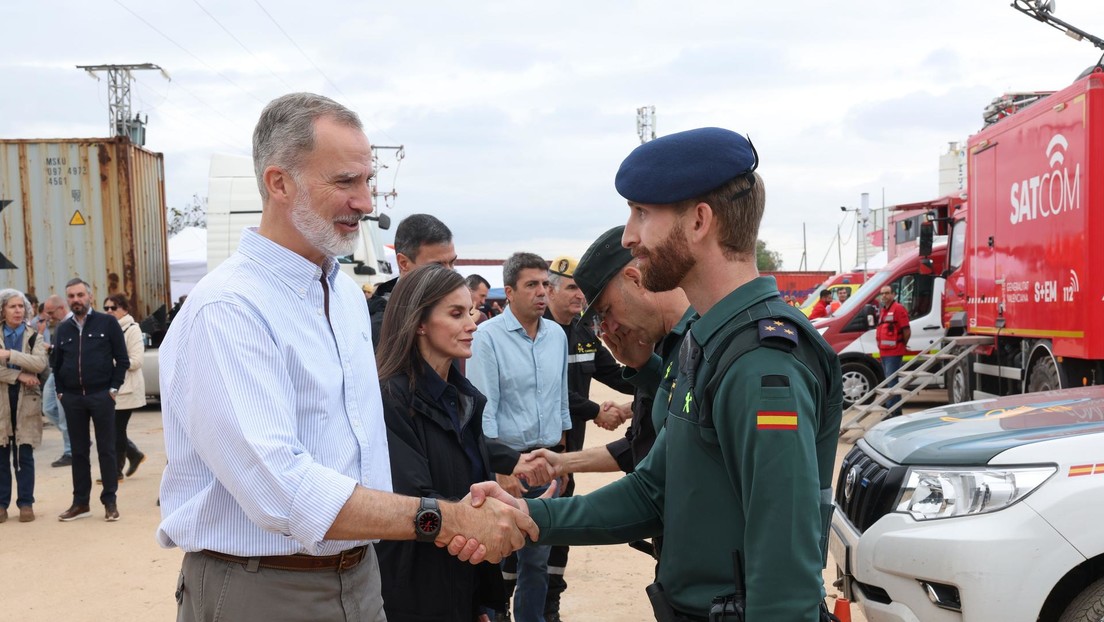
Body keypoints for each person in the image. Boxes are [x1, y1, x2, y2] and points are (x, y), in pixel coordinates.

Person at [158, 92, 536, 622]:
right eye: (345, 182)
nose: (365, 202)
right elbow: (285, 492)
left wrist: (461, 498)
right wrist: (442, 518)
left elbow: (363, 457)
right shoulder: (229, 309)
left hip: (361, 576)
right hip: (264, 589)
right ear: (279, 183)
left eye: (367, 182)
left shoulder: (341, 296)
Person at [468, 127, 844, 621]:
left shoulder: (761, 362)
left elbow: (785, 572)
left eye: (642, 213)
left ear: (699, 221)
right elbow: (652, 490)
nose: (629, 236)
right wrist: (529, 514)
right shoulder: (709, 343)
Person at [374, 263, 507, 621]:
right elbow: (413, 504)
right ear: (418, 322)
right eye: (456, 313)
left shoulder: (464, 401)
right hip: (413, 595)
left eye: (471, 311)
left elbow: (476, 493)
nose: (472, 324)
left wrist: (481, 598)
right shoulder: (389, 400)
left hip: (462, 585)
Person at [468, 251, 571, 622]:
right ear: (509, 291)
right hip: (506, 462)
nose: (542, 292)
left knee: (536, 561)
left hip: (544, 462)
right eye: (532, 285)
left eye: (545, 284)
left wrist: (562, 460)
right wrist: (500, 467)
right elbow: (484, 408)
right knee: (495, 555)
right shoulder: (487, 337)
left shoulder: (557, 335)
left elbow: (560, 398)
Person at [542, 254, 635, 621]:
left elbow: (613, 373)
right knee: (527, 531)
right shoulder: (538, 332)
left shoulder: (583, 332)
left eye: (582, 287)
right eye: (571, 288)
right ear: (549, 290)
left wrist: (643, 393)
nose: (580, 295)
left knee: (560, 531)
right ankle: (502, 606)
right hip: (539, 451)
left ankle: (551, 607)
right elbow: (550, 393)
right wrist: (597, 411)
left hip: (570, 452)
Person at [52, 278, 129, 522]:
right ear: (68, 300)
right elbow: (57, 364)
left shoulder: (107, 323)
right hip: (73, 398)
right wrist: (62, 392)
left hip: (101, 396)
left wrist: (113, 389)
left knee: (106, 450)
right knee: (79, 452)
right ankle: (80, 503)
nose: (76, 300)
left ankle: (110, 502)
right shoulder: (63, 329)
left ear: (90, 296)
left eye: (80, 295)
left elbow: (122, 359)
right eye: (71, 296)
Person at [368, 213, 458, 346]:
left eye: (452, 262)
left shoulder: (450, 310)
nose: (449, 273)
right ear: (403, 263)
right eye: (437, 266)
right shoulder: (378, 326)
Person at [0, 289, 49, 523]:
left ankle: (26, 503)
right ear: (2, 309)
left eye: (21, 306)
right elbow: (28, 368)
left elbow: (39, 363)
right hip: (2, 401)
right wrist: (18, 375)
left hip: (26, 401)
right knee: (1, 455)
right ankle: (1, 505)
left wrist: (9, 354)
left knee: (24, 455)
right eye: (12, 306)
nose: (18, 310)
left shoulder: (34, 336)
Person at [102, 294, 147, 479]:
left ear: (125, 309)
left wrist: (108, 361)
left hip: (127, 388)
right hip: (111, 388)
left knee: (115, 430)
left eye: (114, 308)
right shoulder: (106, 329)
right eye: (106, 308)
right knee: (112, 429)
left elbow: (136, 361)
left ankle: (116, 471)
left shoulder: (132, 329)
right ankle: (133, 455)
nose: (109, 311)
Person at [39, 295, 72, 467]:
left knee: (64, 415)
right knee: (48, 408)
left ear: (61, 308)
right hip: (55, 371)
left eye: (51, 312)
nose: (49, 316)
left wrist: (50, 347)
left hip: (64, 373)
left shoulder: (71, 324)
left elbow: (70, 349)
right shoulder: (59, 325)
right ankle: (77, 439)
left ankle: (70, 451)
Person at [877, 285, 911, 412]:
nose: (884, 296)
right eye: (882, 293)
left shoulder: (898, 309)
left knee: (893, 383)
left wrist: (902, 344)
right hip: (884, 352)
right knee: (890, 383)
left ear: (893, 294)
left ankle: (894, 412)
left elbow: (906, 330)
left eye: (887, 293)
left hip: (894, 352)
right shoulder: (884, 310)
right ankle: (891, 409)